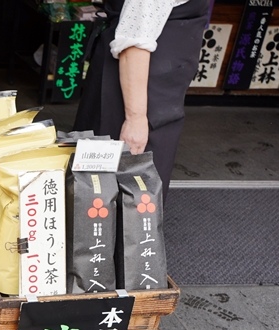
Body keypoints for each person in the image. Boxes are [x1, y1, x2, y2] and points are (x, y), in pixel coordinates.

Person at [73, 0, 210, 199]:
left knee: (139, 189)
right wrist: (135, 119)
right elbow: (134, 44)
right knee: (115, 188)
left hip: (159, 95)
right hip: (135, 95)